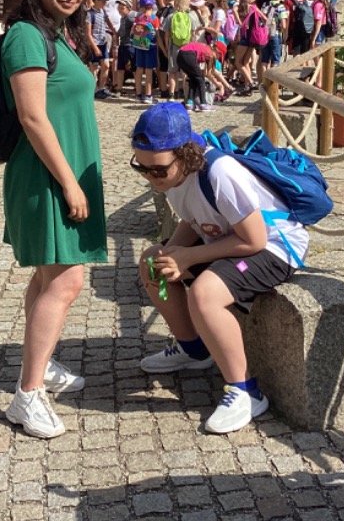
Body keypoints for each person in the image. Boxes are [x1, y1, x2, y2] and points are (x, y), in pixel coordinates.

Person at [132, 103, 308, 434]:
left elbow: (254, 240)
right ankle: (194, 350)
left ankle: (245, 391)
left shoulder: (220, 172)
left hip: (274, 248)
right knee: (152, 263)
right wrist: (172, 253)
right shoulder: (174, 177)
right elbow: (193, 218)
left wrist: (188, 258)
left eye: (157, 170)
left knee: (205, 293)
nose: (149, 177)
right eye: (141, 167)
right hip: (229, 240)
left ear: (184, 155)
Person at [0, 0, 107, 439]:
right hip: (46, 175)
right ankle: (27, 395)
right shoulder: (26, 35)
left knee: (48, 278)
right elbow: (32, 117)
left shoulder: (56, 34)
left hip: (61, 171)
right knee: (67, 282)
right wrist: (69, 183)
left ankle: (39, 366)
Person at [257, 0, 288, 84]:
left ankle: (264, 82)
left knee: (264, 61)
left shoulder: (265, 5)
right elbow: (283, 25)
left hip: (264, 34)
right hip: (275, 34)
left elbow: (260, 19)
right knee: (275, 61)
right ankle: (272, 84)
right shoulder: (281, 7)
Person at [131, 0, 160, 103]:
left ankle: (138, 94)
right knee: (148, 71)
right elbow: (157, 34)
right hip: (150, 47)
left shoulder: (138, 18)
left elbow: (132, 31)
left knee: (139, 69)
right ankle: (148, 95)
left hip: (139, 46)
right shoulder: (154, 19)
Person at [86, 0, 111, 98]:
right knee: (94, 67)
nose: (105, 2)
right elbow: (88, 33)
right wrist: (95, 47)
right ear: (96, 1)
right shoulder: (89, 14)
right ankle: (94, 89)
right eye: (103, 0)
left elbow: (108, 21)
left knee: (106, 65)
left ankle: (101, 87)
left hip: (103, 43)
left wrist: (114, 31)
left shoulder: (103, 11)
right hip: (94, 44)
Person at [111, 0, 135, 96]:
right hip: (122, 45)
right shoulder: (123, 18)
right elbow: (121, 30)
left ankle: (137, 87)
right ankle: (119, 88)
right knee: (120, 67)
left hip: (130, 45)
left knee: (132, 67)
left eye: (122, 8)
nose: (120, 9)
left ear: (128, 8)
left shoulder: (131, 17)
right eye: (119, 7)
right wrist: (117, 35)